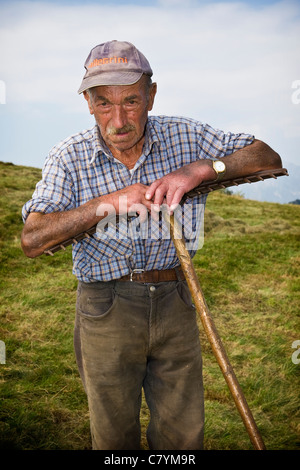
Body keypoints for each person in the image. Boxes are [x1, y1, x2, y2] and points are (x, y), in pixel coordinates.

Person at [21, 40, 282, 450]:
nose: (119, 119)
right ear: (88, 103)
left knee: (183, 434)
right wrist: (105, 205)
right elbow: (33, 239)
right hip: (106, 305)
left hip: (178, 296)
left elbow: (265, 155)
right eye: (104, 103)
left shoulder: (187, 135)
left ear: (151, 95)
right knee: (113, 436)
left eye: (131, 100)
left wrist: (200, 169)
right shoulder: (68, 157)